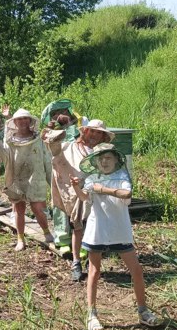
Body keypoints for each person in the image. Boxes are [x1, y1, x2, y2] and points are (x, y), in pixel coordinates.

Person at [70, 143, 162, 330]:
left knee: (136, 270)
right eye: (101, 158)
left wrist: (103, 189)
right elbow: (85, 197)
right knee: (94, 272)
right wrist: (76, 188)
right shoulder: (92, 179)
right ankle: (92, 314)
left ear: (115, 160)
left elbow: (126, 193)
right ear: (95, 161)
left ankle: (143, 311)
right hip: (98, 230)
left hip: (120, 230)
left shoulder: (122, 177)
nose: (104, 161)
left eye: (108, 158)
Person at [43, 119, 113, 282]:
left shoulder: (103, 150)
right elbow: (59, 161)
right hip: (77, 194)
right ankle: (76, 263)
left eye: (99, 132)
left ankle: (92, 262)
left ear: (103, 136)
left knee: (97, 229)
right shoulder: (71, 147)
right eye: (92, 131)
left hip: (98, 193)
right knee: (78, 227)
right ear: (85, 131)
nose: (95, 135)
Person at [0, 108, 53, 251]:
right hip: (17, 176)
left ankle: (47, 233)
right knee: (19, 209)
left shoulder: (39, 138)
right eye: (19, 119)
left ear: (30, 121)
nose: (22, 121)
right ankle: (20, 239)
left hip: (36, 176)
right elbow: (6, 155)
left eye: (25, 118)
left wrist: (51, 182)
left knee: (38, 208)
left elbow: (46, 159)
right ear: (14, 122)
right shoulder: (9, 139)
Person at [41, 99, 89, 257]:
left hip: (80, 168)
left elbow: (89, 139)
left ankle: (85, 241)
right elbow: (48, 146)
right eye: (55, 114)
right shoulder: (49, 130)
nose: (60, 115)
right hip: (60, 169)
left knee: (82, 204)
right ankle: (62, 240)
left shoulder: (82, 123)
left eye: (63, 112)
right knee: (59, 203)